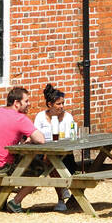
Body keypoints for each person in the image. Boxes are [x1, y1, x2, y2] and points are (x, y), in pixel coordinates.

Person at [0, 86, 45, 213]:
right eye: (26, 101)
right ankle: (16, 202)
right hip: (3, 166)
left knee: (1, 156)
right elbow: (40, 139)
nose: (29, 104)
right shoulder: (20, 118)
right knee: (40, 167)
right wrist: (31, 138)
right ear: (16, 103)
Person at [34, 83, 78, 212]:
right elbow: (36, 135)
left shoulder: (67, 117)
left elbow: (72, 136)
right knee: (50, 160)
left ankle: (61, 198)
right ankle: (62, 195)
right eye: (59, 104)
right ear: (50, 104)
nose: (62, 106)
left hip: (64, 153)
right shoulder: (41, 117)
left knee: (53, 161)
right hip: (44, 152)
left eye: (63, 103)